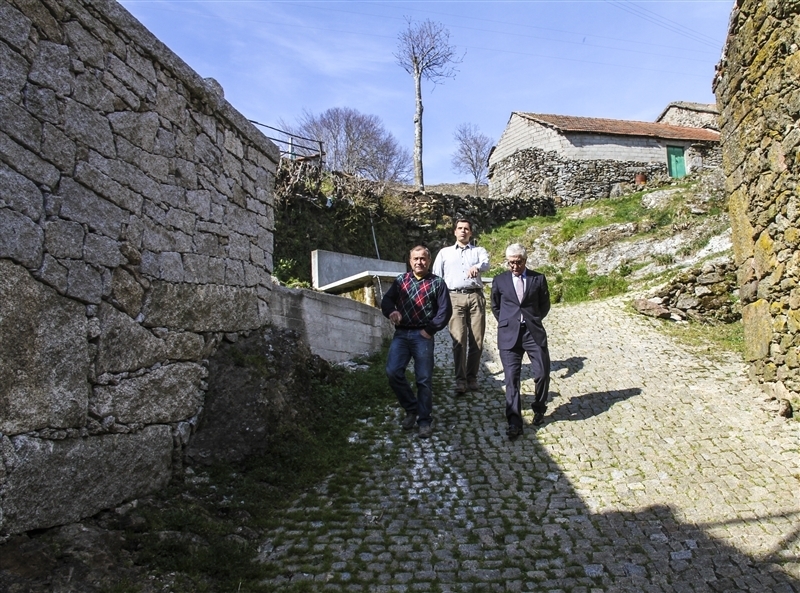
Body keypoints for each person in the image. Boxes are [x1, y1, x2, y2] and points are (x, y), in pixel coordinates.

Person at [382, 245, 452, 439]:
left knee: (423, 379)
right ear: (410, 261)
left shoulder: (437, 283)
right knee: (393, 372)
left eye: (423, 258)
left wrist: (429, 330)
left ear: (429, 261)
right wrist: (392, 311)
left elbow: (445, 311)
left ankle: (424, 421)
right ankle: (412, 408)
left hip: (423, 336)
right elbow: (387, 301)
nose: (419, 262)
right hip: (402, 334)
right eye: (415, 258)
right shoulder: (401, 281)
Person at [490, 243, 551, 439]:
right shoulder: (500, 280)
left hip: (533, 333)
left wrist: (532, 320)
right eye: (511, 263)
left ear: (525, 260)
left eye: (518, 262)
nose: (514, 266)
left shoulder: (538, 279)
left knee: (542, 373)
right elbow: (495, 306)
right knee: (511, 379)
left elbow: (544, 305)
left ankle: (539, 407)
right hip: (509, 335)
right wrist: (508, 322)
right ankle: (514, 422)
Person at [431, 218, 490, 394]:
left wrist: (477, 267)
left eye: (466, 229)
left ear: (470, 232)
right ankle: (460, 380)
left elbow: (486, 263)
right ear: (455, 232)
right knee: (459, 340)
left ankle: (472, 377)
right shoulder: (445, 253)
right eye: (460, 228)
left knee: (477, 340)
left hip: (475, 296)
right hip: (454, 297)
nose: (463, 231)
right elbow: (437, 277)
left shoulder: (478, 251)